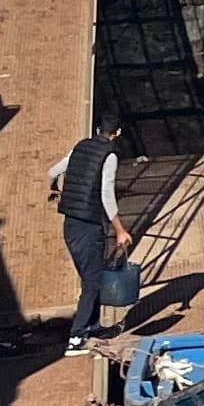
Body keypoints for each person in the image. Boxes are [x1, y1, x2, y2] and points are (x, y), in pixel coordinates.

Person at [49, 116, 131, 352]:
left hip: (70, 226)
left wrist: (53, 186)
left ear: (97, 130)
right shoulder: (110, 155)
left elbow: (53, 170)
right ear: (117, 133)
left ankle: (93, 325)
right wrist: (120, 229)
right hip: (90, 226)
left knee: (90, 277)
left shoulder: (80, 146)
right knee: (92, 282)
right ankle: (76, 335)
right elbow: (106, 195)